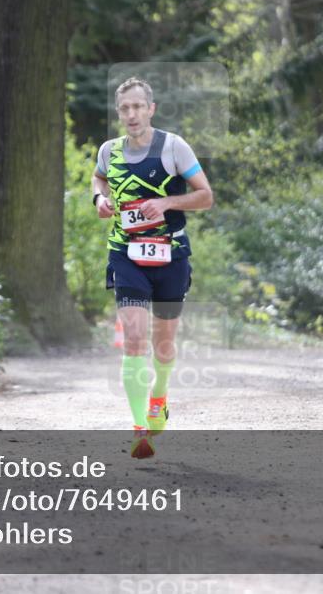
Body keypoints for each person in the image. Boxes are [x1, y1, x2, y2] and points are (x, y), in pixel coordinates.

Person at [91, 77, 214, 459]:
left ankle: (159, 396)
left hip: (170, 255)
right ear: (119, 113)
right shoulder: (109, 151)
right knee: (134, 339)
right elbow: (99, 177)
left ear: (151, 109)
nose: (131, 114)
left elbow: (205, 197)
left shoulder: (173, 147)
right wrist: (99, 197)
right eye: (124, 108)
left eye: (138, 107)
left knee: (163, 344)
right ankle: (139, 428)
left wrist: (166, 204)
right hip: (126, 255)